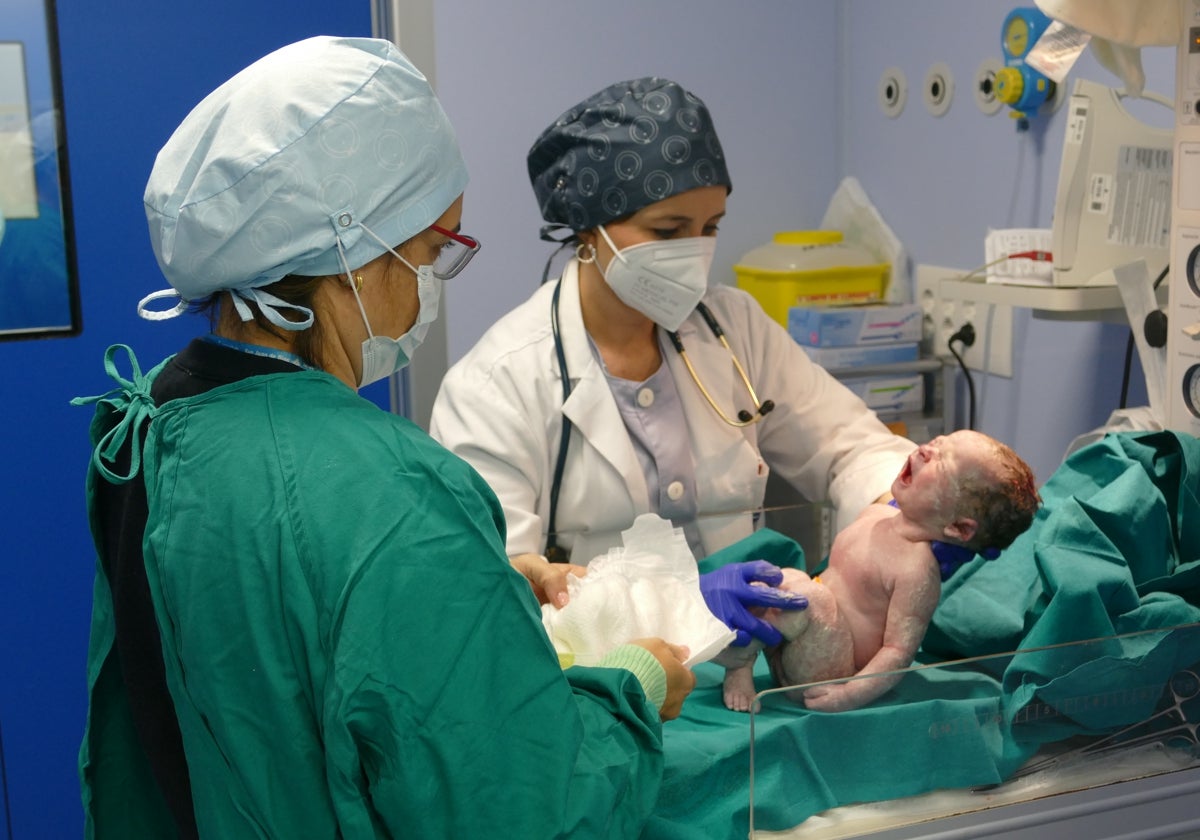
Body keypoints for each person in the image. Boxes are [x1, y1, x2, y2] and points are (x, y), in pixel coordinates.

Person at [73, 37, 702, 840]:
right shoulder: (396, 493)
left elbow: (266, 641)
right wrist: (635, 685)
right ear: (352, 249)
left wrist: (474, 586)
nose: (434, 277)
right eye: (436, 247)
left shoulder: (149, 423)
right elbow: (528, 810)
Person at [429, 76, 917, 641]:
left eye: (711, 228)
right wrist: (685, 604)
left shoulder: (734, 329)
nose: (698, 253)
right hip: (605, 682)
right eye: (669, 230)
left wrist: (905, 504)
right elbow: (495, 595)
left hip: (747, 665)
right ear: (589, 230)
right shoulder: (496, 385)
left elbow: (850, 446)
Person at [716, 430, 1041, 713]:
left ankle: (742, 660)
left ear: (957, 527)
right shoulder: (875, 514)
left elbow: (898, 653)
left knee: (808, 596)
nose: (926, 449)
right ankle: (741, 664)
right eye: (938, 441)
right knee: (775, 579)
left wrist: (848, 695)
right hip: (789, 643)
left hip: (824, 670)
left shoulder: (916, 571)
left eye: (943, 463)